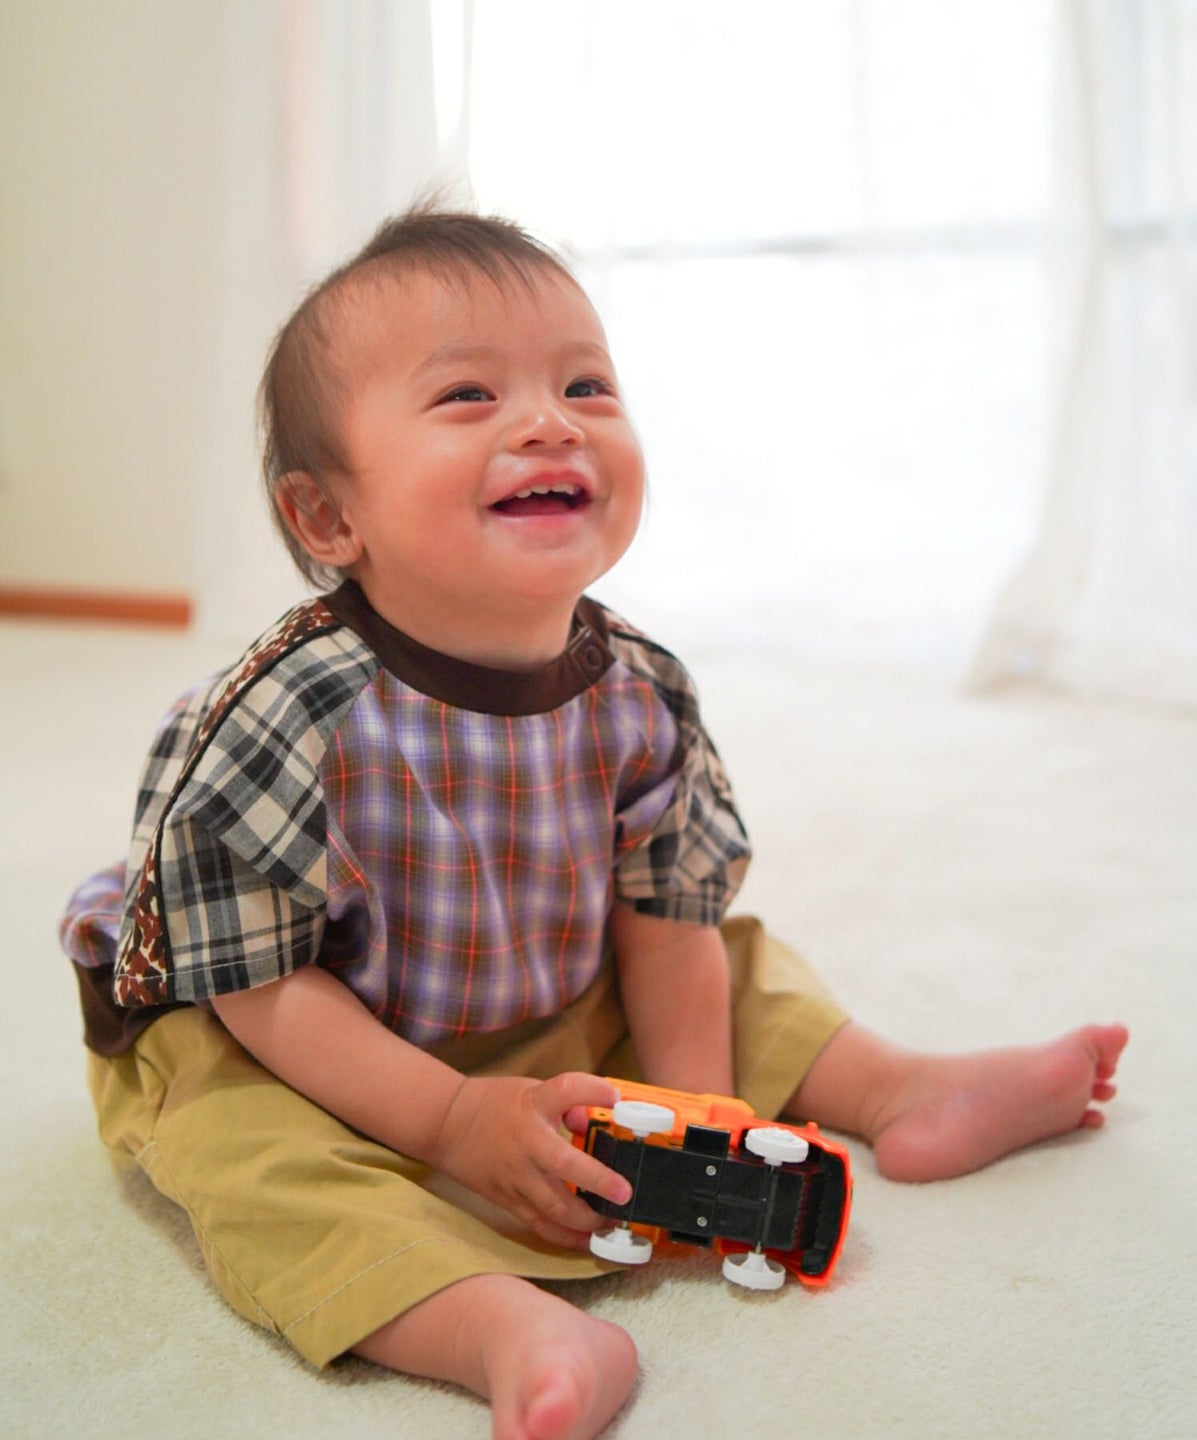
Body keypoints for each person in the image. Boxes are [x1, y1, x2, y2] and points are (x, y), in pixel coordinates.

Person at [60, 205, 1128, 1440]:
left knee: (731, 960)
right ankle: (488, 1323)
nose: (550, 422)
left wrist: (701, 1126)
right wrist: (451, 1121)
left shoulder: (640, 688)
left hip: (533, 990)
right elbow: (263, 990)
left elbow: (664, 919)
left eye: (586, 386)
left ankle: (899, 1088)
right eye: (469, 396)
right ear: (328, 518)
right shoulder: (284, 718)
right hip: (300, 1023)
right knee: (242, 1151)